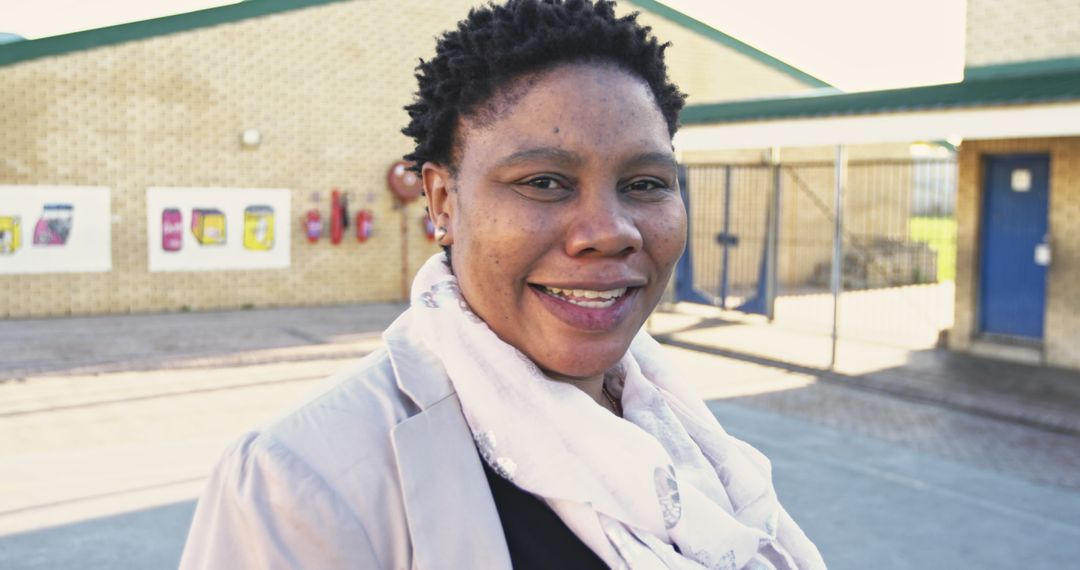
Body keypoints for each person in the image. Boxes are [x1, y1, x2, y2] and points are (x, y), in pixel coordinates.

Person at [179, 1, 825, 568]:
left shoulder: (682, 433)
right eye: (544, 182)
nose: (609, 231)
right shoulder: (302, 482)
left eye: (646, 183)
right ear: (441, 202)